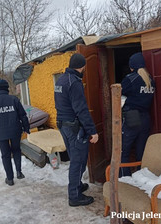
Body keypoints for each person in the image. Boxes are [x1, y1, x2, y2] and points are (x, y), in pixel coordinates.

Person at [54, 53, 99, 207]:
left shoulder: (61, 80)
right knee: (78, 160)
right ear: (81, 67)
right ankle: (74, 195)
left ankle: (77, 185)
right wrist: (92, 130)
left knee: (76, 156)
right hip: (73, 126)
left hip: (63, 123)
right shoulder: (75, 82)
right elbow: (81, 109)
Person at [0, 79, 30, 186]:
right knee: (16, 150)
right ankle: (19, 172)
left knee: (5, 155)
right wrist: (26, 127)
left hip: (0, 133)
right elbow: (23, 115)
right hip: (15, 131)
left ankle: (10, 179)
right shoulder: (14, 99)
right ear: (7, 89)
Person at [120, 52, 155, 176]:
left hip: (132, 117)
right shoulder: (150, 80)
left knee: (123, 150)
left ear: (131, 66)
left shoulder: (130, 79)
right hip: (146, 118)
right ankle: (141, 177)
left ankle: (125, 178)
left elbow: (118, 93)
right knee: (141, 150)